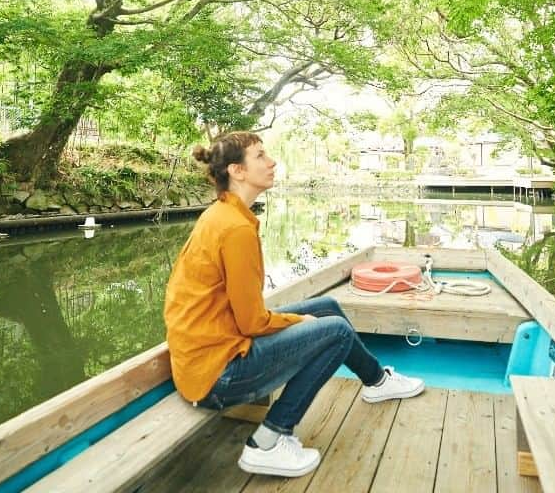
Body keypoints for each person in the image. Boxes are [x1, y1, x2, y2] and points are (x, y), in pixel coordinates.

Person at [163, 131, 424, 478]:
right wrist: (297, 324)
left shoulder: (224, 214)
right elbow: (253, 324)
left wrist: (295, 321)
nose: (272, 162)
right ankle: (267, 442)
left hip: (212, 354)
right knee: (336, 331)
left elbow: (246, 318)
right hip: (217, 375)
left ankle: (377, 382)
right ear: (237, 171)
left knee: (327, 306)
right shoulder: (234, 228)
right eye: (260, 156)